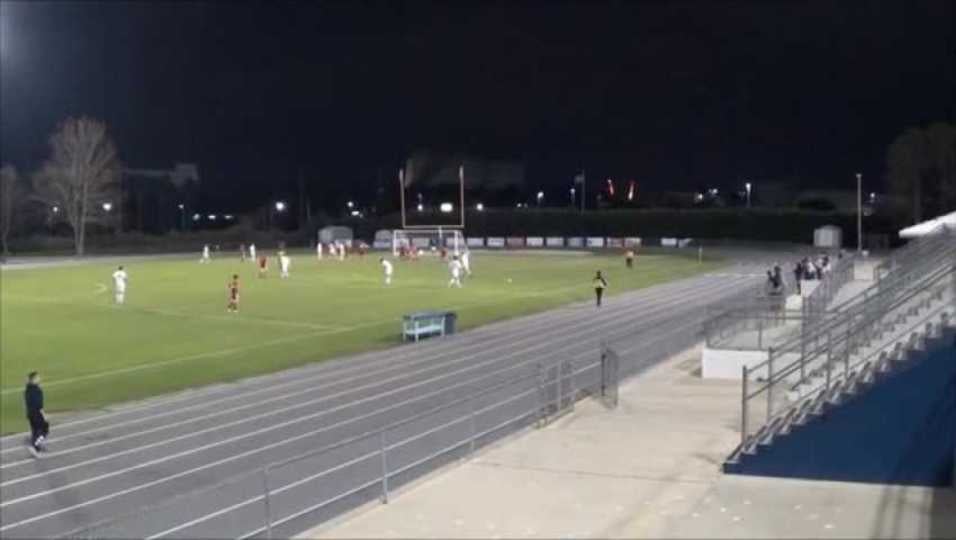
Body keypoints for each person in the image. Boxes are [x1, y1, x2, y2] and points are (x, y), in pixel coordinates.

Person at [24, 372, 48, 457]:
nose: (39, 379)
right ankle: (33, 445)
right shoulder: (36, 390)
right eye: (37, 378)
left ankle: (37, 448)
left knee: (35, 431)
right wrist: (44, 414)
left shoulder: (28, 389)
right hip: (36, 414)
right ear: (33, 379)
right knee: (44, 430)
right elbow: (38, 404)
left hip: (30, 414)